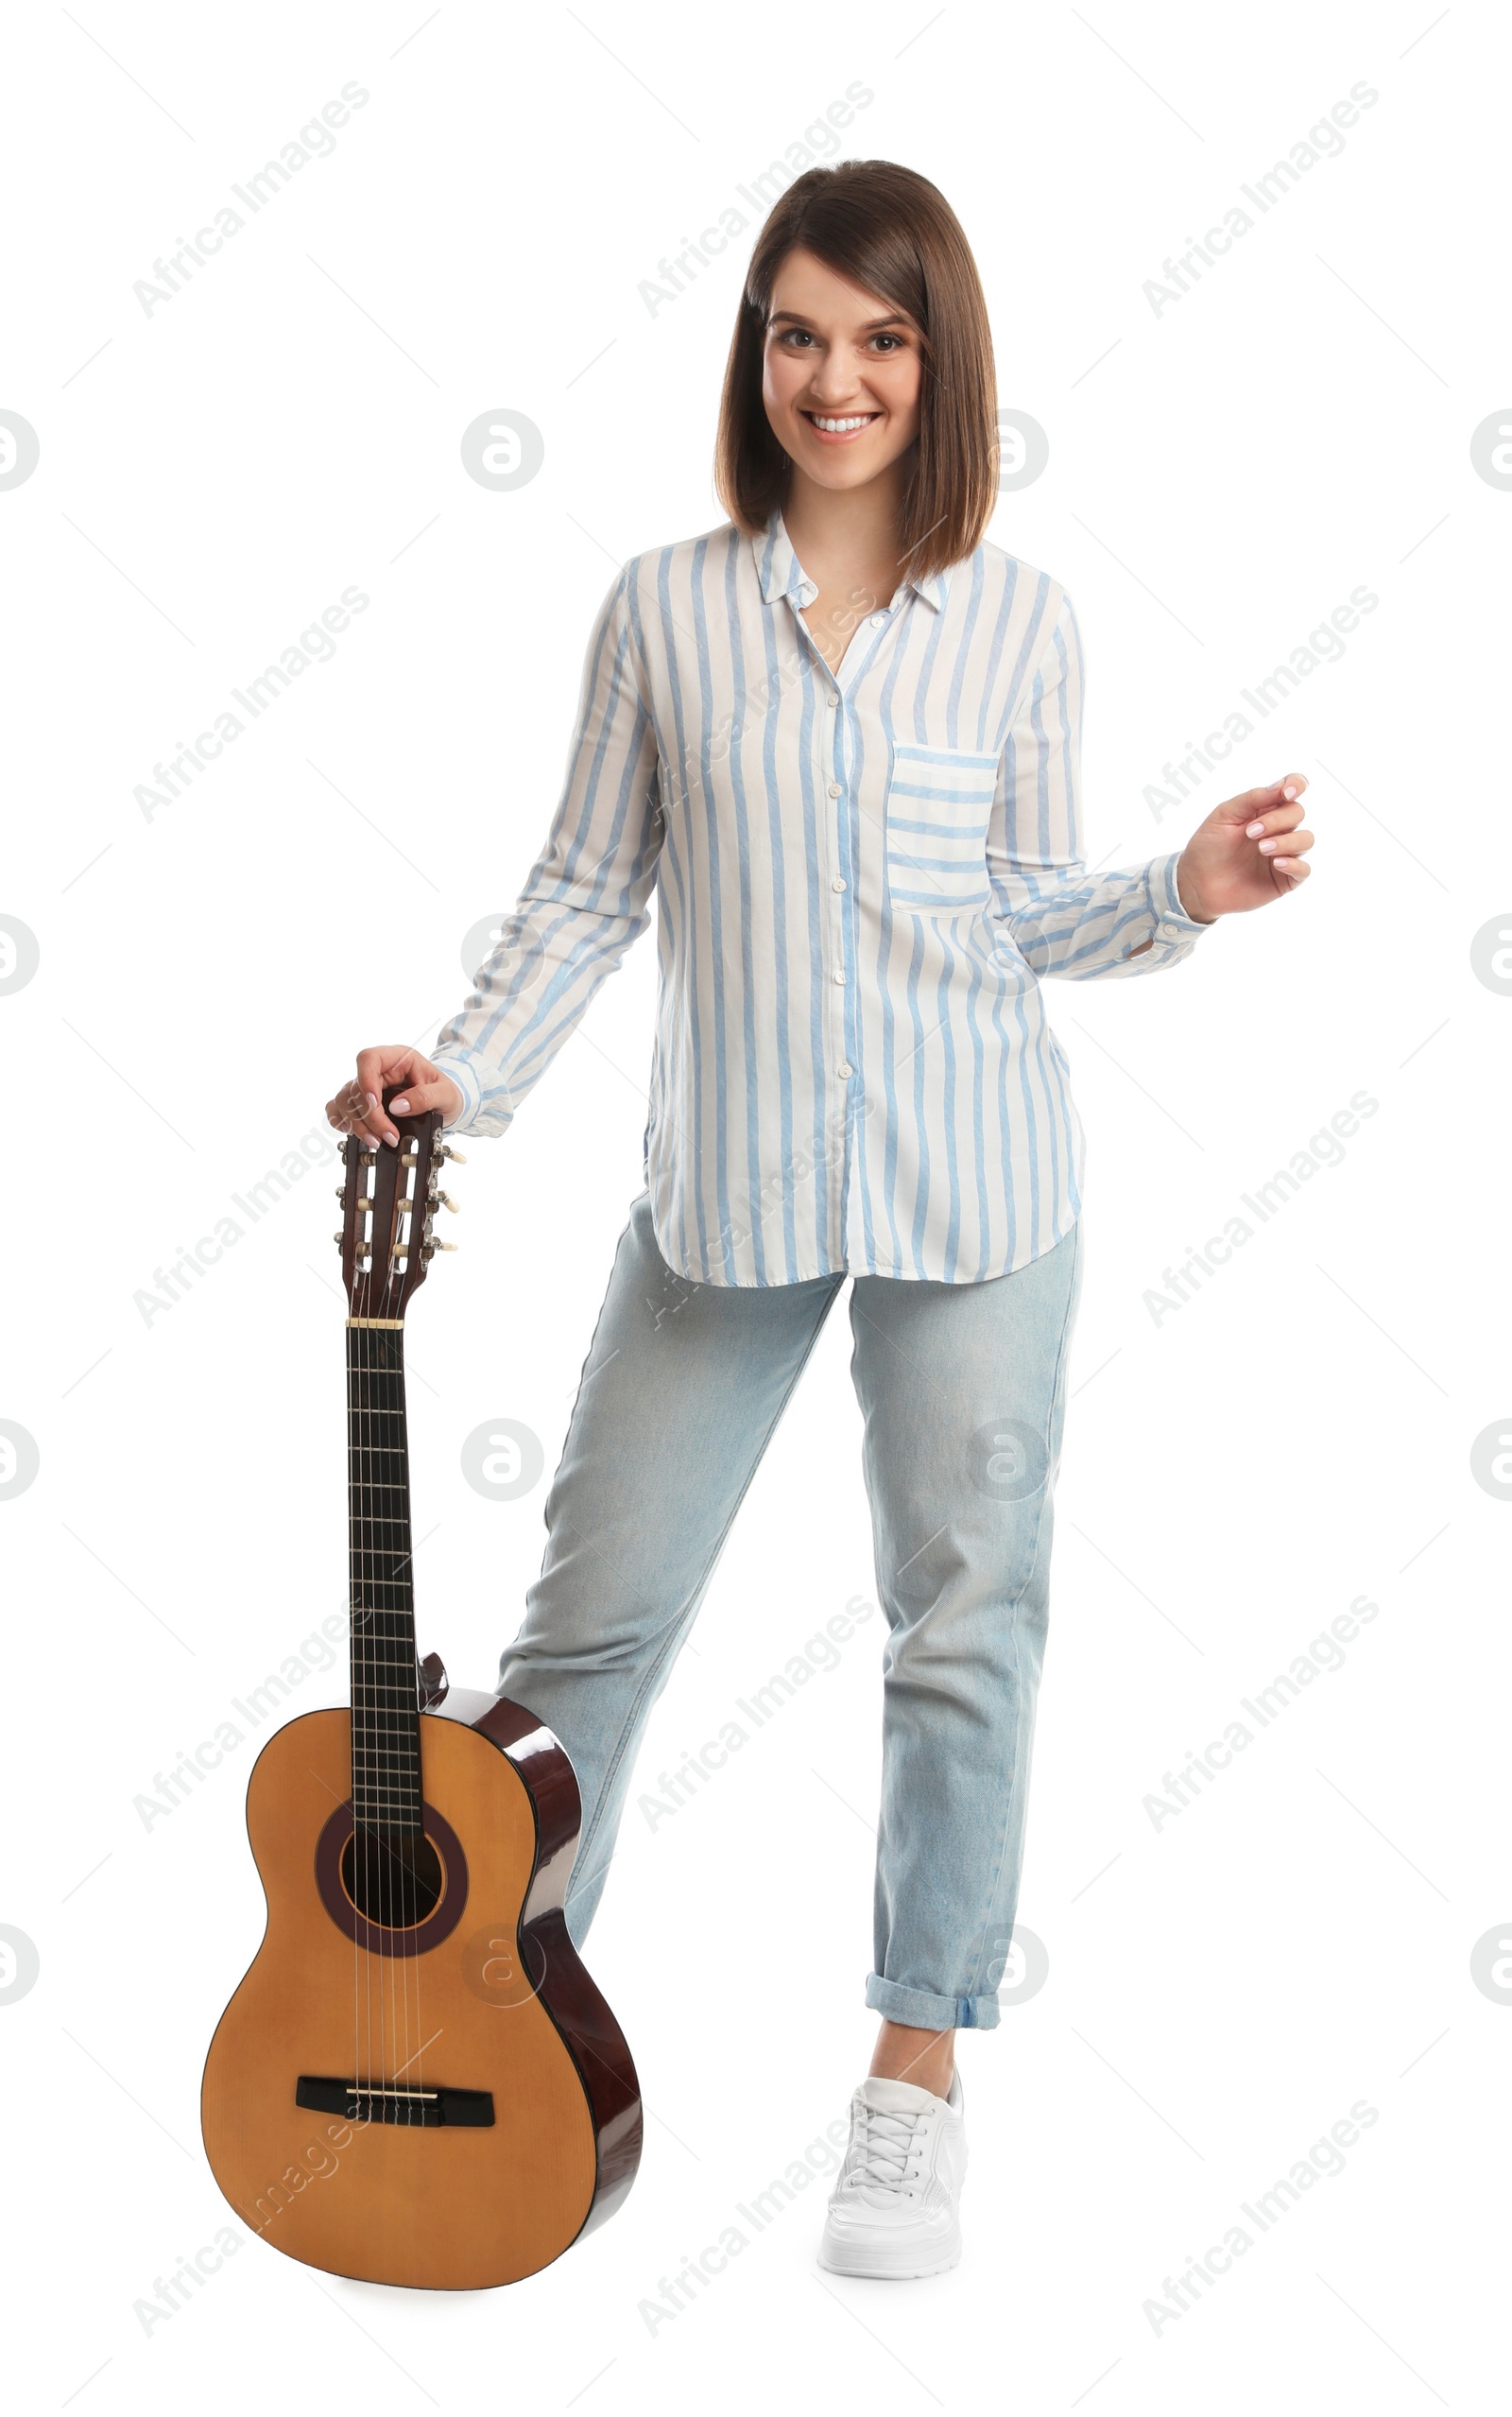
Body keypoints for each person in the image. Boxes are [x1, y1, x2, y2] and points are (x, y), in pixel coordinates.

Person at [325, 159, 1314, 2281]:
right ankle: (476, 2030)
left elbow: (1030, 908)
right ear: (751, 352)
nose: (831, 376)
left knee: (965, 1622)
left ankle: (909, 2076)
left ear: (934, 361)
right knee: (584, 1629)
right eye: (794, 333)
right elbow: (588, 887)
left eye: (875, 338)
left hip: (978, 1191)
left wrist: (1176, 893)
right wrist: (462, 1066)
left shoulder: (1022, 617)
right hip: (726, 1193)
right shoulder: (661, 608)